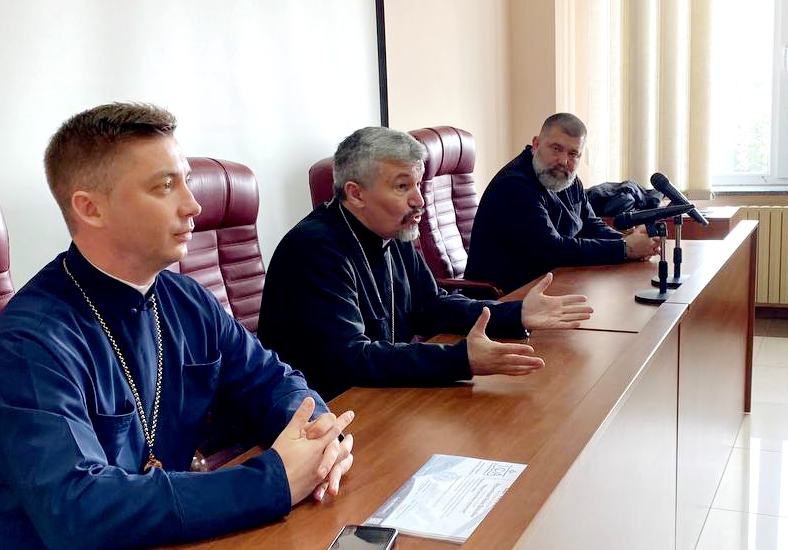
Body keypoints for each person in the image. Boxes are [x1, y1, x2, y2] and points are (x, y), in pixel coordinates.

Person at [0, 104, 354, 550]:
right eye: (165, 187)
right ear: (91, 209)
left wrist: (318, 437)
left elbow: (273, 381)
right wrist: (274, 480)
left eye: (186, 182)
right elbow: (77, 508)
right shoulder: (32, 340)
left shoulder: (185, 298)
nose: (193, 205)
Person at [257, 127, 593, 401]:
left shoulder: (392, 231)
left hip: (382, 394)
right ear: (356, 194)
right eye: (402, 186)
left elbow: (432, 306)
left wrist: (515, 314)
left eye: (418, 184)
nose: (419, 200)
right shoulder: (314, 249)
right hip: (329, 409)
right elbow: (350, 359)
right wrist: (461, 359)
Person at [464, 113, 660, 293]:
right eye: (556, 149)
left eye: (573, 154)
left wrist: (632, 243)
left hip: (548, 286)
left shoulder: (568, 180)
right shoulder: (514, 185)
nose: (564, 161)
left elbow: (591, 226)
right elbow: (552, 249)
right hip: (502, 299)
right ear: (536, 144)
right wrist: (625, 249)